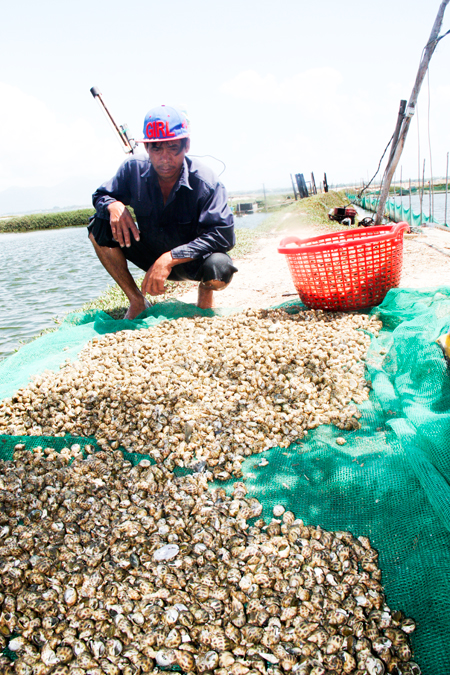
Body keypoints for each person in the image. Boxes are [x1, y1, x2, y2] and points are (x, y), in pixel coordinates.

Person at [88, 104, 237, 319]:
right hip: (149, 251)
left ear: (186, 146)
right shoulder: (132, 169)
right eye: (156, 148)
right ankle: (137, 300)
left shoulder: (206, 181)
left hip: (192, 262)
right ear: (147, 148)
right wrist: (114, 205)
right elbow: (100, 195)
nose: (165, 158)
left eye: (173, 147)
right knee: (99, 226)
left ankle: (205, 297)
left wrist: (170, 258)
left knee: (220, 267)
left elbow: (224, 234)